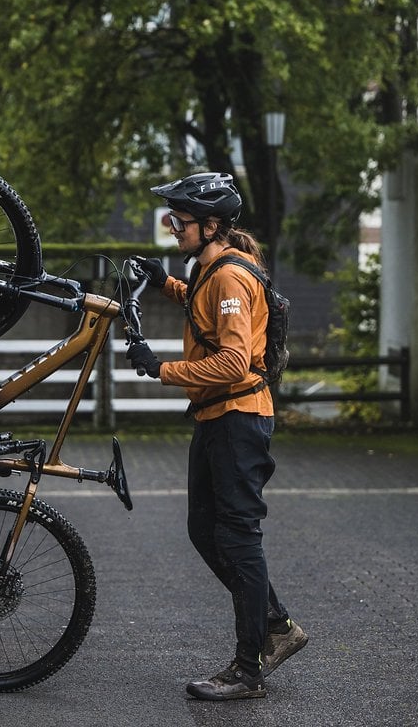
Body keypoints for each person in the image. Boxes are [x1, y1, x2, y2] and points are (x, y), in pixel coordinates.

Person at [126, 172, 308, 701]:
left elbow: (231, 361)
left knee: (237, 539)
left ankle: (248, 669)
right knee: (204, 530)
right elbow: (204, 311)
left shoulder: (229, 277)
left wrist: (161, 369)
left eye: (178, 219)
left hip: (238, 419)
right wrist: (165, 283)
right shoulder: (210, 270)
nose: (171, 225)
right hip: (217, 420)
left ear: (210, 225)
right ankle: (275, 624)